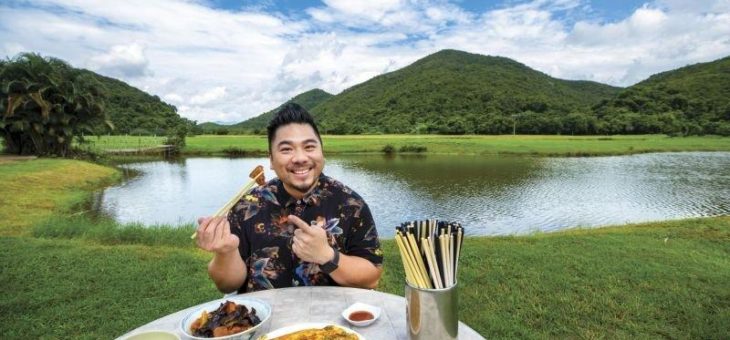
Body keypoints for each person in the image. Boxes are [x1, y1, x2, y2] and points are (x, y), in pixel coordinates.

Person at [195, 103, 383, 293]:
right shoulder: (246, 206)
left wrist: (327, 256)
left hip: (330, 320)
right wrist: (226, 252)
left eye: (309, 147)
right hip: (264, 319)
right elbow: (227, 286)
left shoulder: (351, 204)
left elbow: (371, 278)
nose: (300, 158)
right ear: (271, 160)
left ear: (322, 153)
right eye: (286, 149)